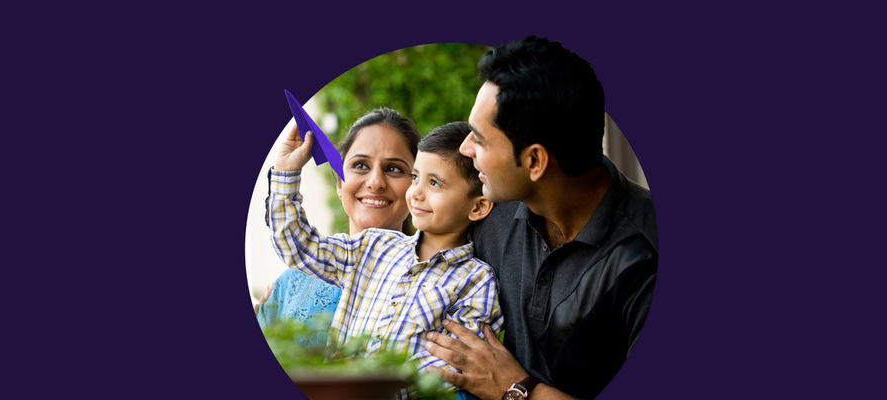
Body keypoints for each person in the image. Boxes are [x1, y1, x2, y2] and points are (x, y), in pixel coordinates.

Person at [423, 36, 658, 400]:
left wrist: (516, 390)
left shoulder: (648, 255)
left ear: (534, 161)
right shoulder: (490, 211)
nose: (466, 149)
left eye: (481, 140)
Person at [267, 121, 504, 398]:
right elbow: (299, 246)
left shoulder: (477, 281)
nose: (416, 192)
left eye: (434, 183)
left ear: (477, 206)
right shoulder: (374, 246)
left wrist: (370, 379)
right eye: (416, 177)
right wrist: (286, 171)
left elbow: (456, 364)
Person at [255, 108, 421, 346]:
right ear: (340, 185)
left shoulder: (435, 280)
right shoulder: (287, 286)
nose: (375, 182)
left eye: (393, 168)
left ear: (416, 187)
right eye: (360, 165)